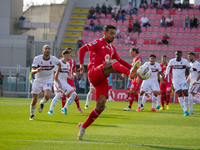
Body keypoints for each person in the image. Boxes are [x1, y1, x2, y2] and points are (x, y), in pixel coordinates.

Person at [77, 25, 140, 140]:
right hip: (94, 73)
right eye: (110, 33)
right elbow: (82, 50)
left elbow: (120, 60)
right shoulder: (97, 42)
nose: (113, 35)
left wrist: (135, 69)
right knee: (111, 63)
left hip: (103, 78)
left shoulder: (112, 49)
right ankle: (128, 74)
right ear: (104, 33)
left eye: (114, 34)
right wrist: (81, 65)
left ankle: (83, 126)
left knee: (100, 107)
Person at [29, 44, 60, 120]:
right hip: (38, 80)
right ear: (42, 50)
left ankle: (42, 102)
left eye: (49, 49)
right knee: (34, 99)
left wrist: (56, 74)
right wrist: (37, 70)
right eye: (46, 48)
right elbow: (32, 71)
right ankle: (32, 114)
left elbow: (59, 65)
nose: (47, 50)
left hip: (48, 80)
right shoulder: (37, 59)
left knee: (47, 96)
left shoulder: (54, 59)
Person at [47, 50, 77, 115]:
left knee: (74, 94)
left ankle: (64, 108)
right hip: (57, 82)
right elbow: (55, 76)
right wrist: (59, 84)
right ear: (66, 55)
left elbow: (68, 74)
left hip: (64, 83)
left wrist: (71, 77)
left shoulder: (68, 64)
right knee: (58, 95)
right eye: (69, 55)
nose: (70, 57)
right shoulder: (58, 63)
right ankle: (50, 110)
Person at [165, 51, 191, 116]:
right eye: (176, 54)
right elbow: (168, 67)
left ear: (181, 55)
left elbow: (190, 68)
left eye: (178, 54)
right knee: (179, 94)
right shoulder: (172, 61)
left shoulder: (185, 61)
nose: (177, 55)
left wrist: (189, 69)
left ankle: (186, 106)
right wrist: (166, 74)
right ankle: (185, 110)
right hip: (175, 81)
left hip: (183, 80)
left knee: (185, 93)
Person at [61, 48, 82, 113]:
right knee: (63, 94)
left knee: (74, 94)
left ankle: (78, 107)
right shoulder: (60, 61)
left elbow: (74, 71)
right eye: (67, 53)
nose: (68, 54)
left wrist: (75, 74)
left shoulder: (73, 62)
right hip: (64, 79)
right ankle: (63, 108)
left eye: (69, 52)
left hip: (70, 80)